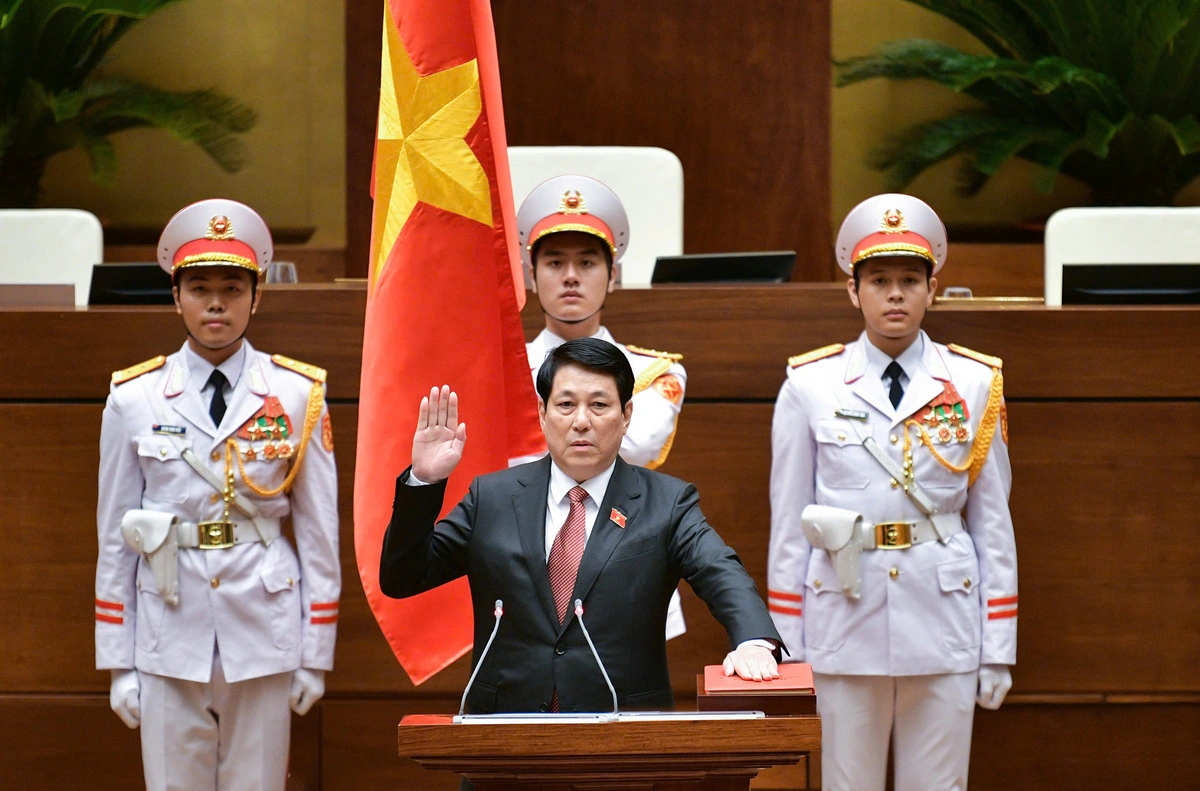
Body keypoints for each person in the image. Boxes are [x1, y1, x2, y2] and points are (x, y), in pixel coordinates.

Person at [380, 338, 782, 714]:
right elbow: (402, 577)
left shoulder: (666, 503)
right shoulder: (493, 498)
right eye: (566, 405)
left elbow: (721, 571)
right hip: (502, 737)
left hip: (623, 739)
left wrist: (753, 641)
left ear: (626, 416)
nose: (582, 422)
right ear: (542, 413)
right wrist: (424, 482)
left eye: (600, 406)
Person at [767, 194, 1017, 791]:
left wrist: (998, 644)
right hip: (841, 624)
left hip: (945, 618)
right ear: (853, 290)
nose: (896, 294)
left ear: (933, 287)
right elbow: (788, 525)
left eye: (911, 278)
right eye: (879, 280)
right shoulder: (811, 384)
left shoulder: (975, 383)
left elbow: (992, 523)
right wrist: (787, 648)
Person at [94, 199, 340, 791]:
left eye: (232, 288)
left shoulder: (297, 394)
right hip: (166, 628)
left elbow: (317, 532)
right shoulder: (135, 398)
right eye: (199, 287)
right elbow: (115, 537)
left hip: (264, 626)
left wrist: (315, 650)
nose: (215, 303)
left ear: (256, 297)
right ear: (175, 296)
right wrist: (117, 661)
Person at [519, 174, 688, 639]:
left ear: (613, 276)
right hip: (522, 577)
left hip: (628, 575)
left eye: (588, 262)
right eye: (554, 262)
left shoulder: (654, 373)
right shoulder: (499, 371)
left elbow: (631, 446)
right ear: (530, 277)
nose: (571, 276)